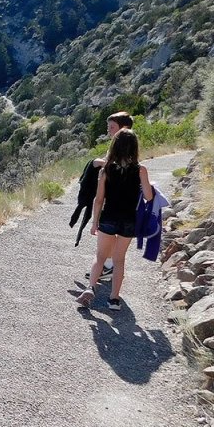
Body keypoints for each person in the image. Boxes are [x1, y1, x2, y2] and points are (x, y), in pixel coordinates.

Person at [76, 128, 153, 310]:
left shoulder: (106, 170)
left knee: (100, 257)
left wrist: (94, 223)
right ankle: (114, 299)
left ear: (114, 146)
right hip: (129, 221)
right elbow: (148, 197)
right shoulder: (141, 170)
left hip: (108, 218)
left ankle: (90, 287)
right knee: (119, 260)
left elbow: (99, 199)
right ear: (134, 147)